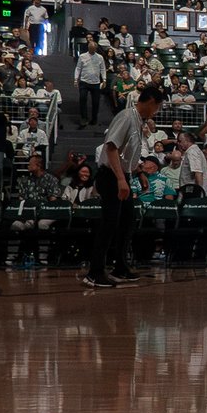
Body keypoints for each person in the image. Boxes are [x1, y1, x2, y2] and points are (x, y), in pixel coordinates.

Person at [83, 85, 163, 289]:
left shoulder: (137, 121)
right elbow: (111, 147)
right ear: (151, 102)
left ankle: (120, 266)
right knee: (110, 222)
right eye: (158, 107)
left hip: (122, 174)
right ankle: (95, 271)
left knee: (128, 220)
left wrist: (138, 172)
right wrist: (120, 179)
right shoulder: (127, 116)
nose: (157, 111)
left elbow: (126, 154)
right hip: (110, 176)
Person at [74, 41, 107, 128]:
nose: (92, 50)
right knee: (82, 98)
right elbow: (78, 68)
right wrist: (75, 79)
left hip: (96, 82)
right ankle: (84, 118)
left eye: (94, 49)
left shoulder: (100, 57)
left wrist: (104, 79)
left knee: (96, 102)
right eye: (91, 49)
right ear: (88, 48)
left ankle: (94, 118)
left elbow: (103, 69)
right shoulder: (82, 56)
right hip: (84, 81)